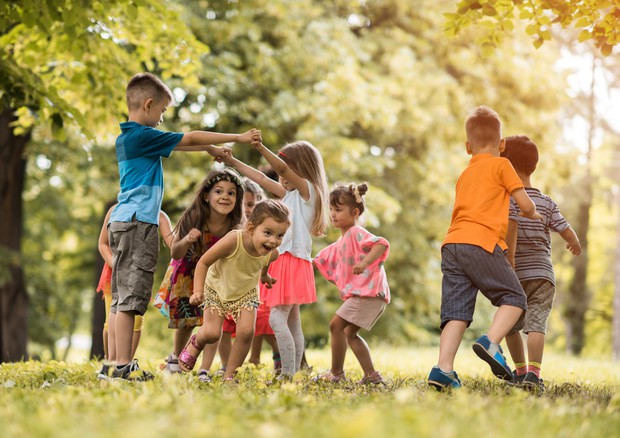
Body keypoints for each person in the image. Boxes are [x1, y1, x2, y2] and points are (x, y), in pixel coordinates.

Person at [108, 72, 258, 380]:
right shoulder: (141, 135)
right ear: (148, 104)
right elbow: (188, 138)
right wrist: (237, 138)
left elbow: (183, 145)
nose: (162, 118)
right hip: (138, 224)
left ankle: (117, 364)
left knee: (124, 297)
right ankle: (121, 366)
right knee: (132, 298)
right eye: (162, 111)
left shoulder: (128, 138)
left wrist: (208, 150)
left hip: (124, 221)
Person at [427, 105, 541, 390]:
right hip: (481, 242)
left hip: (452, 244)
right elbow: (524, 202)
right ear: (502, 145)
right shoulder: (503, 165)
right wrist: (533, 212)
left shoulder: (465, 174)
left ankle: (443, 369)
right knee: (515, 299)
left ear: (468, 147)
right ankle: (491, 342)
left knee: (456, 312)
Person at [222, 138, 329, 379]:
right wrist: (231, 161)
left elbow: (280, 169)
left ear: (301, 169)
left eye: (287, 168)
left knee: (276, 317)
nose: (282, 175)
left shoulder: (308, 192)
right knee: (292, 322)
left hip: (290, 261)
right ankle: (293, 372)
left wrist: (259, 147)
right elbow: (261, 179)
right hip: (287, 261)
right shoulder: (290, 195)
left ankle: (287, 374)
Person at [177, 199, 291, 381]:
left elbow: (265, 261)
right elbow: (204, 262)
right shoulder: (234, 239)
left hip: (246, 293)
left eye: (280, 235)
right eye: (268, 233)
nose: (273, 241)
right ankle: (196, 341)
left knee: (246, 332)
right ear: (251, 228)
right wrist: (198, 291)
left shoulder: (272, 253)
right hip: (217, 288)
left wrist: (264, 276)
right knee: (212, 333)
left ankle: (230, 375)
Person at [501, 135, 581, 391]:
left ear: (507, 166)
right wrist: (574, 243)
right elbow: (565, 229)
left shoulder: (507, 200)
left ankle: (521, 371)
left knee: (511, 326)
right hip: (543, 275)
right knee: (537, 323)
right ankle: (534, 374)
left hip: (515, 274)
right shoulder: (546, 202)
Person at [154, 168, 245, 382]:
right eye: (219, 191)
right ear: (207, 195)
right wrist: (186, 240)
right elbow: (175, 252)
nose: (225, 197)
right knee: (187, 320)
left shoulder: (236, 225)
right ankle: (175, 358)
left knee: (213, 322)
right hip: (188, 271)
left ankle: (204, 368)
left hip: (216, 277)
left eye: (231, 193)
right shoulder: (195, 216)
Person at [313, 183, 390, 384]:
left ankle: (336, 374)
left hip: (369, 294)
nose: (333, 214)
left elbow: (381, 244)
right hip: (369, 295)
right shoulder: (342, 240)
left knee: (335, 326)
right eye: (331, 209)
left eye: (338, 210)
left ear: (355, 212)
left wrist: (364, 262)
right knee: (349, 333)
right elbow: (322, 259)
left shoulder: (356, 232)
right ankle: (371, 375)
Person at [96, 204, 174, 379]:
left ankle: (125, 364)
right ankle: (110, 363)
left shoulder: (158, 215)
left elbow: (172, 242)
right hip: (113, 276)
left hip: (137, 277)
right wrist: (117, 266)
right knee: (111, 320)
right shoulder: (115, 210)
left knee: (135, 321)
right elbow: (102, 244)